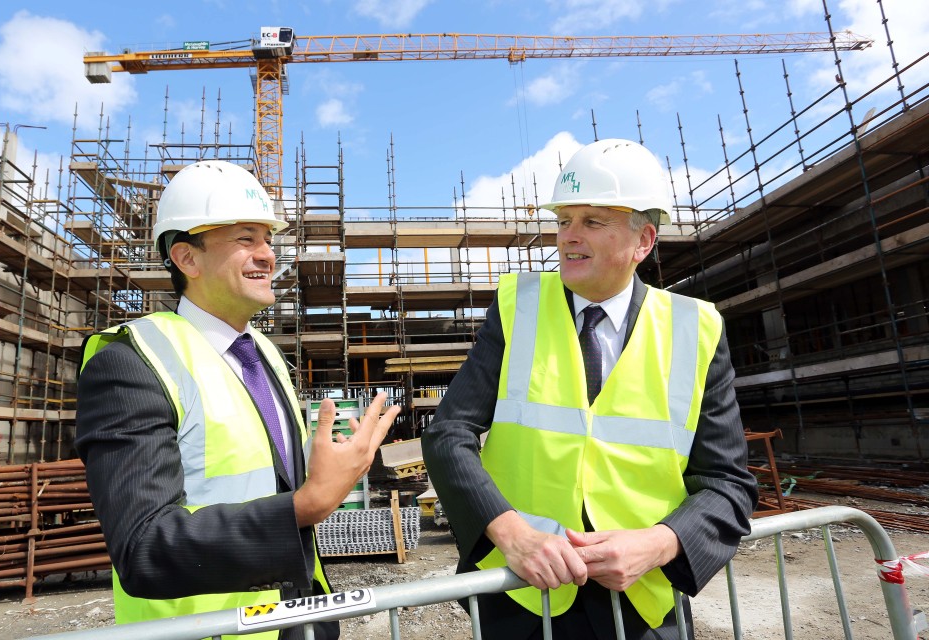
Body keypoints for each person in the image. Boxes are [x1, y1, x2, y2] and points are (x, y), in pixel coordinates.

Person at [422, 139, 758, 640]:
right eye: (563, 220)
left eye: (592, 222)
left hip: (643, 603)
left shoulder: (696, 328)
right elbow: (448, 434)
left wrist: (661, 543)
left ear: (644, 240)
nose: (567, 238)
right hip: (522, 597)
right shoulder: (518, 308)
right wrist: (511, 534)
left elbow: (728, 485)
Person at [76, 160, 399, 640]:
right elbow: (144, 547)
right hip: (209, 630)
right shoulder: (129, 361)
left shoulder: (263, 351)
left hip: (297, 615)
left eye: (268, 240)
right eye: (246, 239)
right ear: (187, 259)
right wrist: (304, 506)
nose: (268, 255)